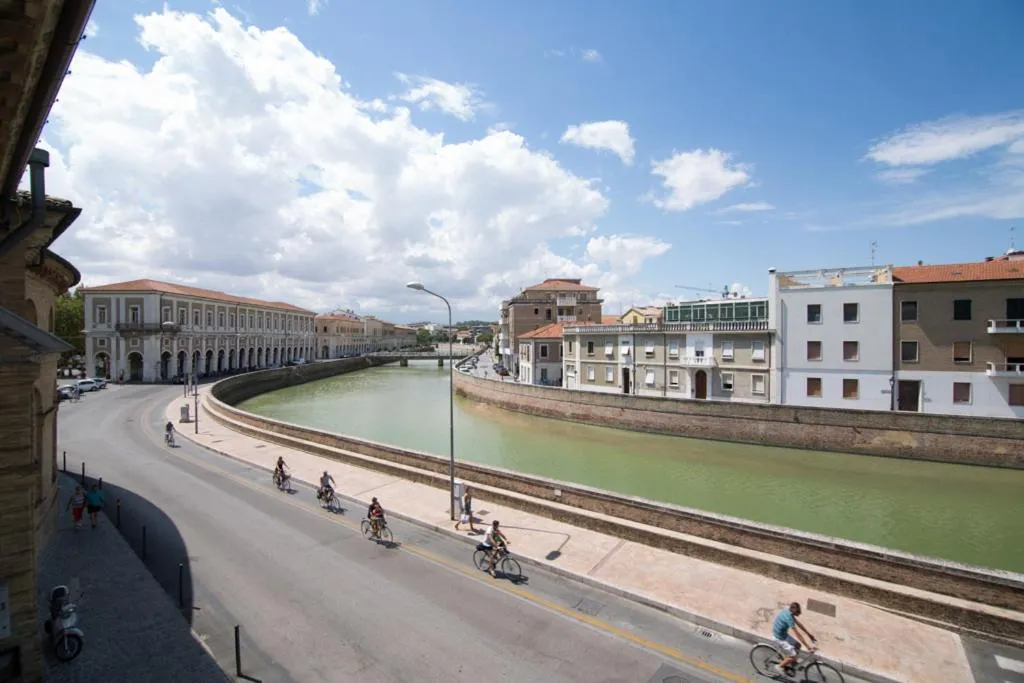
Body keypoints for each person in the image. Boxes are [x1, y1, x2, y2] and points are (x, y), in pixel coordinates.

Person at [772, 602, 816, 674]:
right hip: (779, 638)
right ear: (792, 611)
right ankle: (779, 666)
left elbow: (799, 624)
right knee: (794, 654)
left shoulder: (788, 610)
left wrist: (809, 635)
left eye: (799, 611)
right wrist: (808, 647)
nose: (799, 613)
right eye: (797, 612)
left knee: (798, 645)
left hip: (783, 634)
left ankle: (792, 662)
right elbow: (798, 635)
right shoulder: (789, 618)